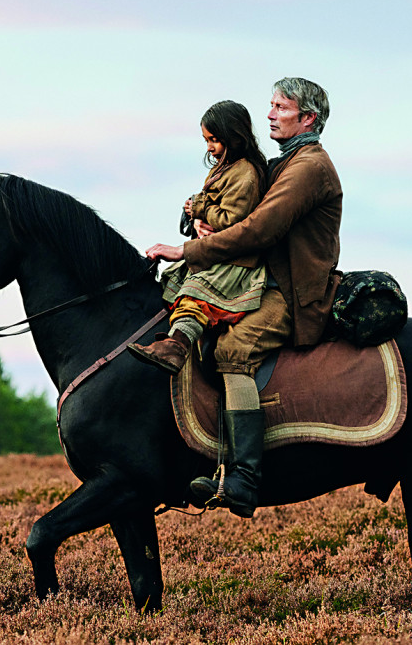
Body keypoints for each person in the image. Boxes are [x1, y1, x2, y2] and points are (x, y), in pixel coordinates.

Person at [144, 77, 343, 518]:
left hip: (290, 295)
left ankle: (245, 478)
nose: (269, 114)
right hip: (260, 280)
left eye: (281, 107)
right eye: (270, 105)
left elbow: (260, 229)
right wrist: (205, 223)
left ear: (307, 118)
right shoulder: (282, 163)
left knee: (233, 348)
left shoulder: (309, 167)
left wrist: (188, 249)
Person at [127, 100, 270, 375]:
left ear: (234, 136)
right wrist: (195, 218)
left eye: (215, 140)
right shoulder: (224, 168)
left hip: (232, 262)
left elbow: (233, 221)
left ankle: (176, 347)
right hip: (212, 251)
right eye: (207, 140)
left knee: (196, 295)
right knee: (175, 283)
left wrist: (202, 210)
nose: (210, 148)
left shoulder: (247, 174)